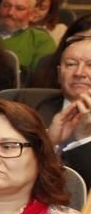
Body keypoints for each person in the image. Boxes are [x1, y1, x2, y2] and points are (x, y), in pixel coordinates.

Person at [35, 36, 91, 187]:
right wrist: (50, 143)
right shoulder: (29, 107)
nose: (79, 72)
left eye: (90, 65)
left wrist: (84, 139)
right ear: (59, 74)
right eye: (71, 64)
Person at [0, 0, 56, 73]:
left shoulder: (41, 40)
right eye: (6, 5)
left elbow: (40, 77)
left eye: (19, 8)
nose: (10, 12)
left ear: (32, 15)